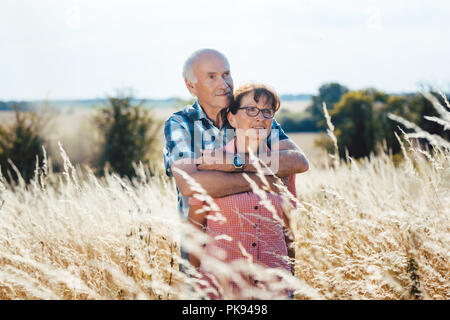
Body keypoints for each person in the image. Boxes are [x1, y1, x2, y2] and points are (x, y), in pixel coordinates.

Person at [163, 48, 308, 274]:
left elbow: (297, 161)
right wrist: (262, 181)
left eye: (226, 74)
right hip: (203, 244)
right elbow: (190, 184)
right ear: (191, 85)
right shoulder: (181, 123)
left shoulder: (250, 114)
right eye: (212, 76)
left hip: (264, 246)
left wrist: (234, 163)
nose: (225, 83)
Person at [187, 83, 297, 299]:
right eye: (251, 110)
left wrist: (290, 276)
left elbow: (287, 229)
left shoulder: (284, 167)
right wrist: (197, 282)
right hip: (222, 286)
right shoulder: (211, 163)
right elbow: (195, 227)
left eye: (267, 111)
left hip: (274, 286)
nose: (260, 117)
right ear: (232, 118)